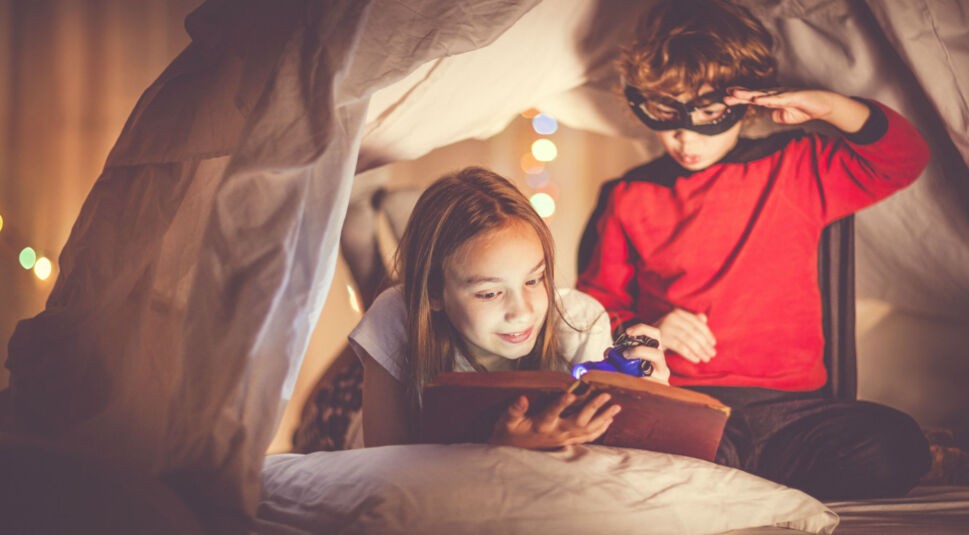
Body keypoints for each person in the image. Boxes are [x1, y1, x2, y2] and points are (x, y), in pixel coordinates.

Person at [576, 0, 931, 500]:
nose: (685, 137)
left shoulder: (797, 166)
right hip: (688, 403)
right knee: (675, 460)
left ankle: (735, 480)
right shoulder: (629, 197)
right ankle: (732, 477)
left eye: (709, 113)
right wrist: (645, 328)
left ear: (743, 102)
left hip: (794, 411)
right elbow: (593, 305)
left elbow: (904, 158)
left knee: (896, 447)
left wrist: (828, 106)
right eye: (666, 113)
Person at [349, 167, 669, 450]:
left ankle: (400, 240)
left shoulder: (579, 320)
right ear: (434, 292)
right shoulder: (397, 314)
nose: (522, 312)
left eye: (534, 280)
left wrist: (652, 407)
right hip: (358, 395)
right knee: (386, 298)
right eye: (489, 293)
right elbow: (385, 466)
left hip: (438, 301)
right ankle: (367, 253)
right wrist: (498, 449)